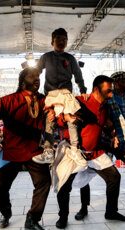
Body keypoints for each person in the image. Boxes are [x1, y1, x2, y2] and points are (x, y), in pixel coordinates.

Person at [74, 71, 125, 222]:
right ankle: (84, 207)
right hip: (96, 143)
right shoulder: (104, 96)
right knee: (84, 170)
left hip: (117, 141)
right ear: (116, 83)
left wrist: (120, 135)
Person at [0, 68, 53, 230]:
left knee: (44, 182)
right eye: (32, 76)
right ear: (22, 81)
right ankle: (5, 213)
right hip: (12, 151)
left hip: (34, 151)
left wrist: (54, 115)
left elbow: (61, 111)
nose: (37, 79)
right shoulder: (8, 100)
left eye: (38, 76)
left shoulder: (44, 101)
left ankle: (32, 219)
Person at [54, 75, 125, 229]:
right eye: (108, 91)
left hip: (95, 152)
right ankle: (63, 217)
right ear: (96, 89)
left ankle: (111, 212)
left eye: (112, 92)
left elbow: (107, 125)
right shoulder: (80, 101)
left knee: (114, 177)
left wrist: (113, 134)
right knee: (64, 185)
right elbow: (60, 120)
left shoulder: (106, 107)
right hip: (75, 153)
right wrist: (65, 117)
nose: (111, 95)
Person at [35, 28, 88, 163]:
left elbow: (78, 75)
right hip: (51, 94)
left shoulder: (70, 58)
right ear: (52, 41)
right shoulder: (46, 57)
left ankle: (76, 149)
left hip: (66, 93)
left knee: (71, 119)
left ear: (67, 42)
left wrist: (83, 90)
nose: (61, 41)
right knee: (49, 119)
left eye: (64, 39)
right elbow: (36, 72)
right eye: (58, 39)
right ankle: (48, 151)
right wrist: (31, 88)